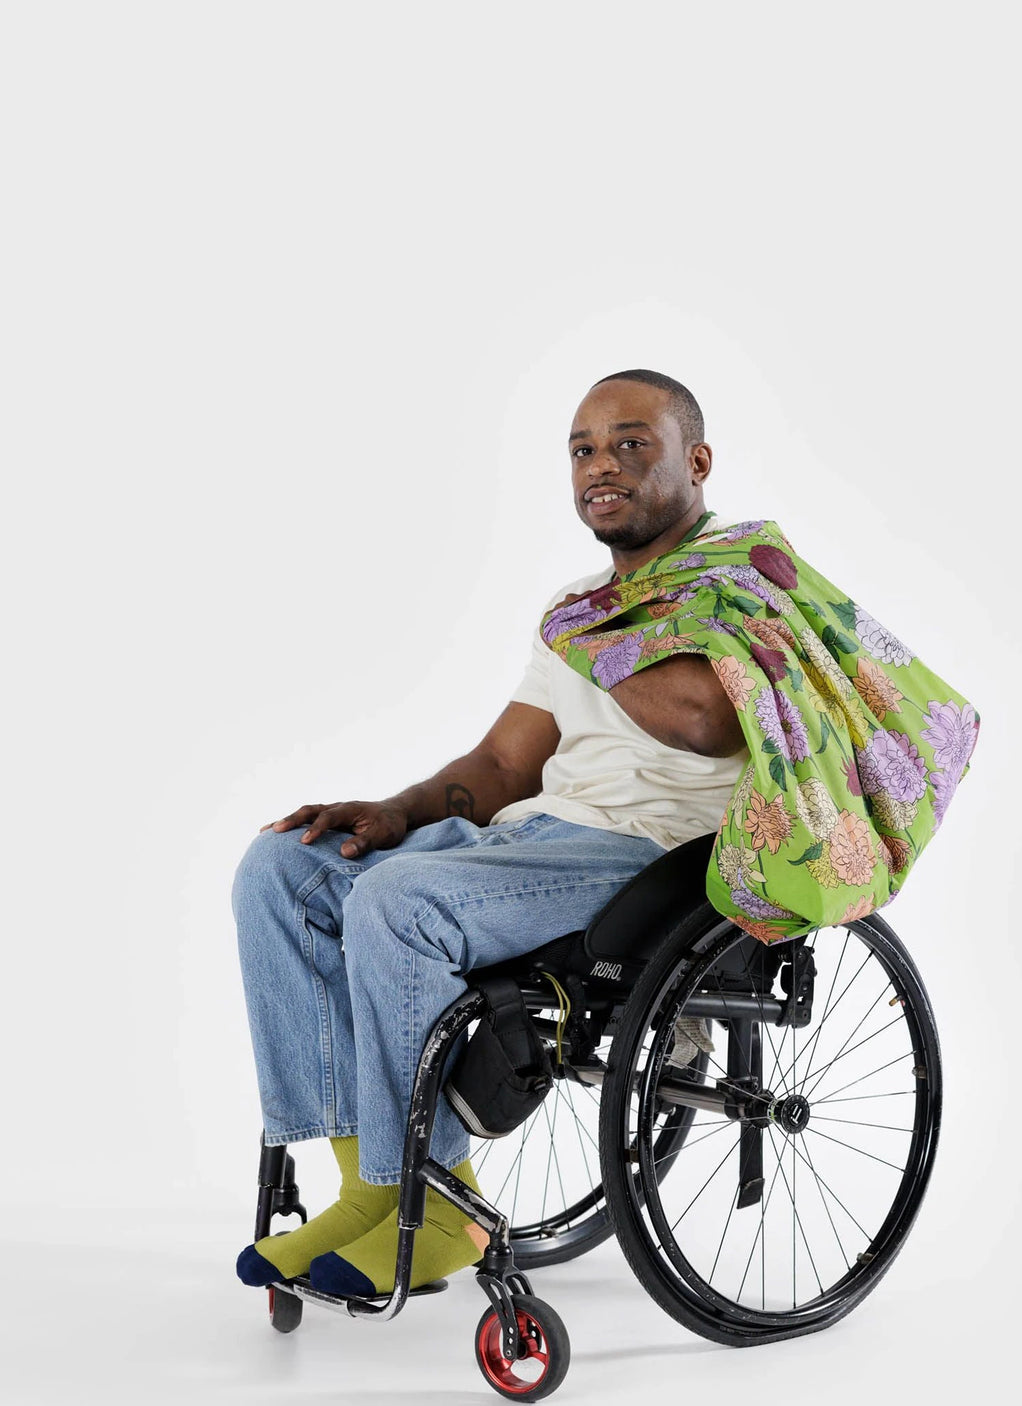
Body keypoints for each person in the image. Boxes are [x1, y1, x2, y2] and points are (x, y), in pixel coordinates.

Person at [232, 369, 749, 1298]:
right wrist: (395, 809)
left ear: (696, 460)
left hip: (655, 861)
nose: (602, 466)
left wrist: (600, 634)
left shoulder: (743, 587)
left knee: (397, 903)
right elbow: (506, 766)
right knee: (282, 870)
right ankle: (375, 1189)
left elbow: (709, 720)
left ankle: (429, 1206)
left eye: (633, 444)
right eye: (584, 450)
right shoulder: (582, 603)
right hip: (537, 835)